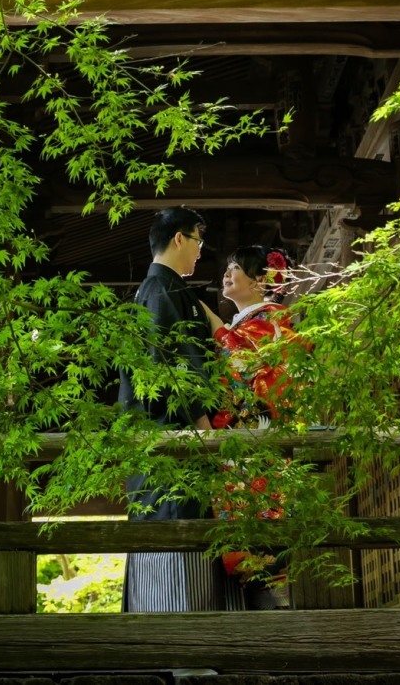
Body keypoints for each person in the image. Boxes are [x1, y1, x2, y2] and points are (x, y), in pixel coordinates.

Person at [118, 205, 239, 613]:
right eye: (198, 241)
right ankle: (181, 647)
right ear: (179, 239)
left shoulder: (161, 291)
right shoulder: (163, 292)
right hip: (174, 437)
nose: (200, 252)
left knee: (174, 525)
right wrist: (205, 427)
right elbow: (177, 369)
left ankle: (178, 645)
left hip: (160, 438)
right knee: (178, 524)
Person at [212, 244, 297, 609]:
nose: (227, 274)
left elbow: (243, 363)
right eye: (228, 268)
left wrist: (212, 325)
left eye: (236, 267)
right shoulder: (248, 321)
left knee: (257, 541)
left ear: (262, 281)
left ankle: (271, 623)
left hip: (256, 443)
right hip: (246, 441)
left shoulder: (271, 319)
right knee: (246, 538)